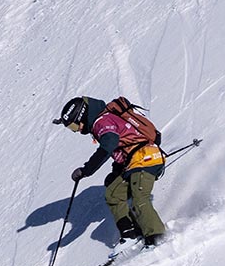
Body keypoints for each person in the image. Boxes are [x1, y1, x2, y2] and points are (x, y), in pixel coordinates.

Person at [59, 95, 167, 247]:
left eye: (74, 126)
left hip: (145, 158)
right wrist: (116, 172)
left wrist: (86, 170)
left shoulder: (101, 122)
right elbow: (122, 146)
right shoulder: (104, 121)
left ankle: (158, 238)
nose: (77, 131)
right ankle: (130, 235)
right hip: (134, 162)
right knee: (113, 194)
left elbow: (109, 144)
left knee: (139, 198)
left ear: (81, 116)